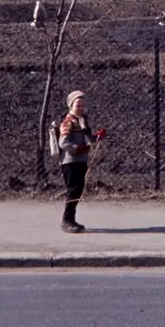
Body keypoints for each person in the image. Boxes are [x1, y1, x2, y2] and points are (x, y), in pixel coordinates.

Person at [58, 90, 106, 233]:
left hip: (80, 160)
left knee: (77, 190)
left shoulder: (82, 120)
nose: (80, 107)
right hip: (70, 161)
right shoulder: (68, 122)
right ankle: (67, 221)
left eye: (83, 105)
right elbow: (63, 143)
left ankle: (71, 220)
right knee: (73, 190)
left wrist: (97, 137)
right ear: (71, 105)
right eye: (78, 105)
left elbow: (87, 139)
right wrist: (77, 149)